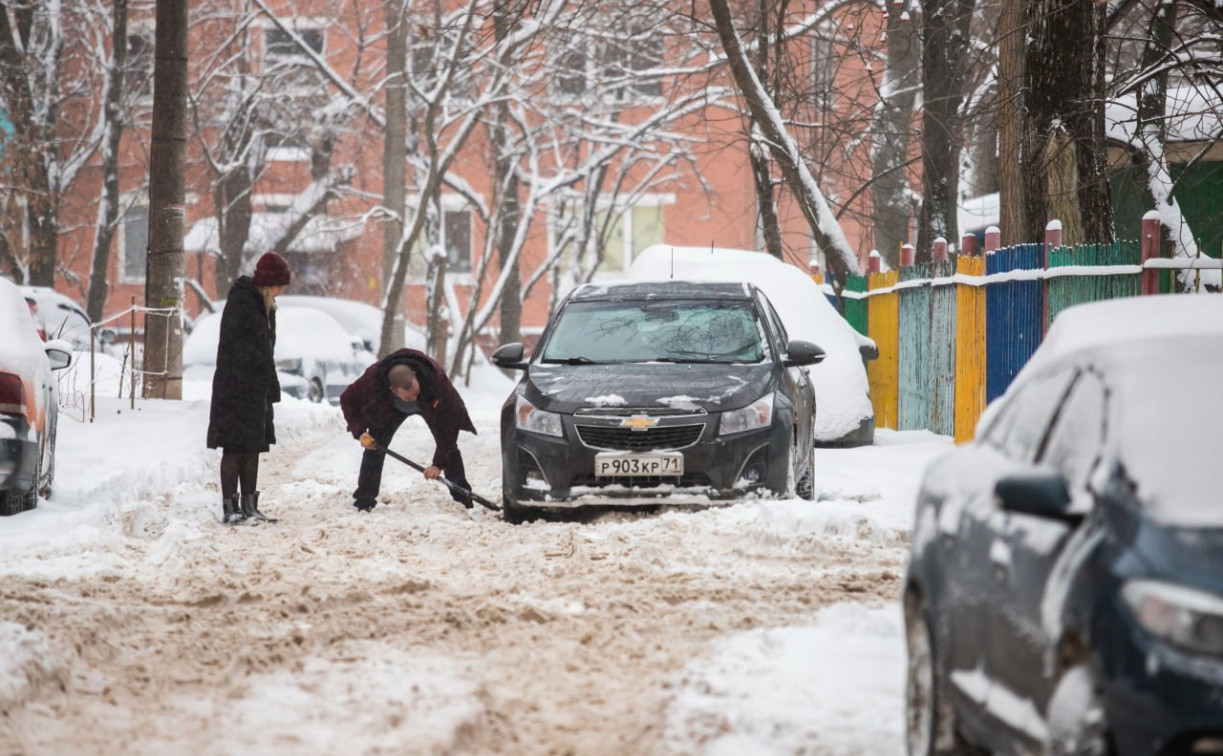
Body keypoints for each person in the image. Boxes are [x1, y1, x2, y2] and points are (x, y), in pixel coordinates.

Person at [205, 251, 291, 525]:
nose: (280, 292)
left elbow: (265, 351)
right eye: (279, 286)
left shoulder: (265, 307)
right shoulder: (243, 302)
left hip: (255, 389)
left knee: (253, 448)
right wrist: (252, 375)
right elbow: (239, 348)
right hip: (235, 389)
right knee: (234, 449)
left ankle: (250, 507)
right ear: (268, 283)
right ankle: (231, 509)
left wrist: (266, 385)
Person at [340, 349, 476, 512]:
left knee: (449, 449)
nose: (414, 400)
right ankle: (364, 499)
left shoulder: (434, 379)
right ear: (392, 389)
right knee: (374, 447)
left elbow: (449, 424)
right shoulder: (372, 380)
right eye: (408, 398)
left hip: (430, 404)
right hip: (389, 409)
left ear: (415, 375)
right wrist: (360, 432)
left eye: (416, 393)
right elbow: (347, 399)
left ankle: (463, 499)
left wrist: (437, 464)